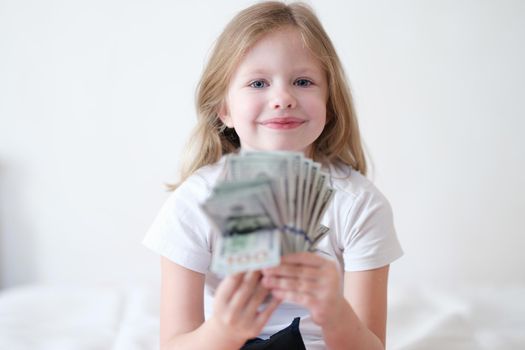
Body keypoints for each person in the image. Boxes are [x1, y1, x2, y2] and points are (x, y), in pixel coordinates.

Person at [142, 2, 403, 349]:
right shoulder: (193, 204)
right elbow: (174, 345)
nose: (282, 97)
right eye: (258, 82)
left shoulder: (360, 206)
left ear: (330, 101)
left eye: (303, 81)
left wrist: (335, 312)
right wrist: (224, 330)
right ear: (224, 109)